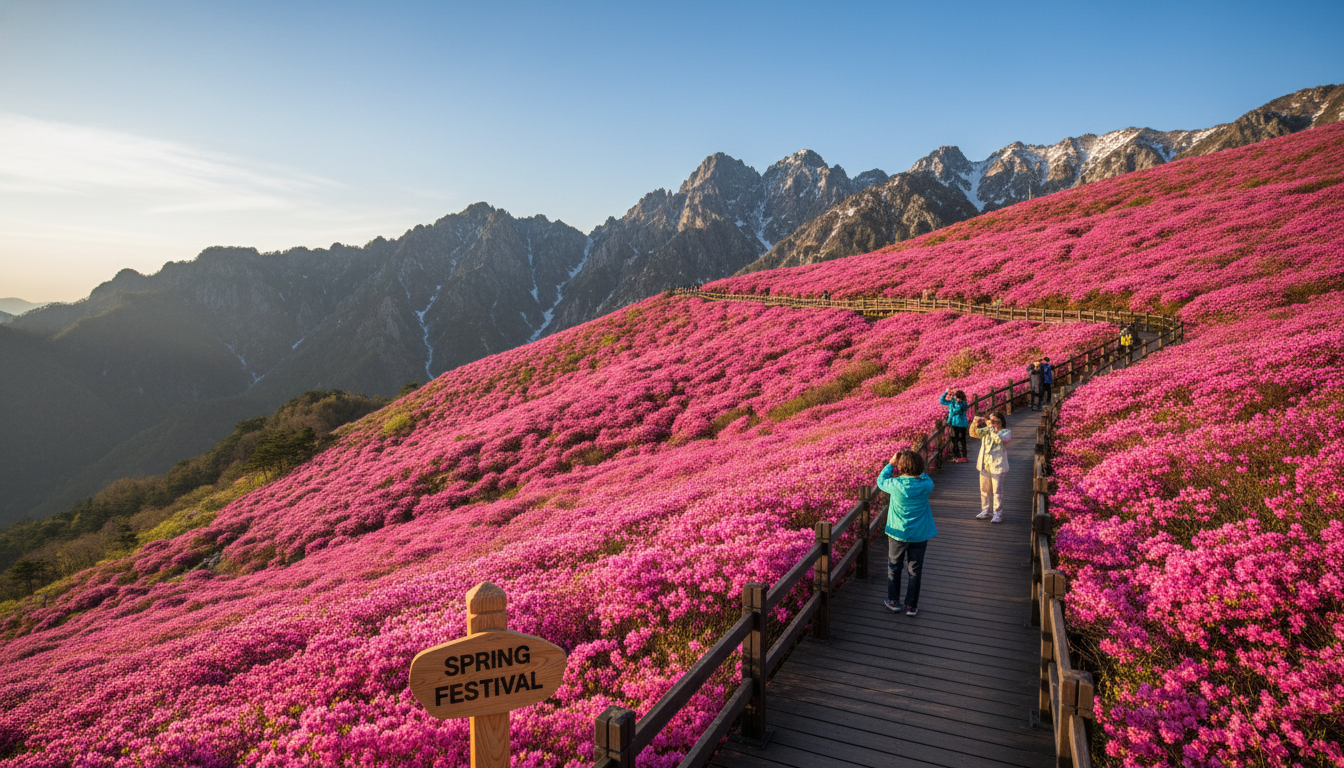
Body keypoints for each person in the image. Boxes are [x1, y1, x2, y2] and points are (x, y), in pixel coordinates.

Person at [876, 449, 936, 615]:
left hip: (898, 534)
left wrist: (890, 464)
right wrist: (918, 470)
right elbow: (926, 478)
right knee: (915, 570)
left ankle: (894, 601)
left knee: (894, 567)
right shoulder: (926, 485)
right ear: (919, 467)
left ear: (901, 468)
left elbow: (880, 481)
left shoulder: (895, 485)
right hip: (919, 534)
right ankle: (911, 605)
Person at [970, 411, 1011, 523]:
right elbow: (973, 433)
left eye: (993, 420)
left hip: (998, 465)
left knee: (997, 491)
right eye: (990, 420)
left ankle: (998, 513)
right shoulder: (987, 430)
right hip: (984, 464)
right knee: (984, 489)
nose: (991, 422)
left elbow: (999, 439)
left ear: (1000, 421)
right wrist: (976, 421)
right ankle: (985, 510)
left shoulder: (1006, 432)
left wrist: (990, 428)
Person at [939, 389, 970, 462]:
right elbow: (942, 401)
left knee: (962, 440)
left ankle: (963, 456)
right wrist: (946, 392)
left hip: (961, 424)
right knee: (954, 440)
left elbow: (957, 409)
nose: (953, 397)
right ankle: (957, 456)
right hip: (953, 423)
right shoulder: (951, 402)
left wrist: (956, 401)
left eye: (955, 396)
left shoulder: (963, 404)